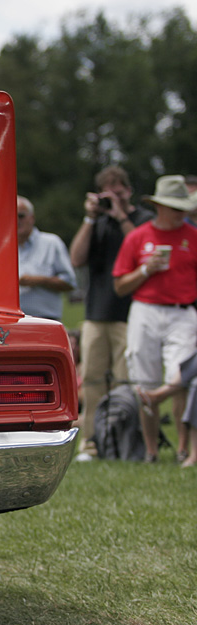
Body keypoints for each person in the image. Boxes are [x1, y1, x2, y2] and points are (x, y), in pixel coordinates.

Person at [68, 166, 154, 460]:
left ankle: (122, 441)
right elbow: (76, 258)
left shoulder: (143, 220)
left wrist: (121, 216)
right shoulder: (98, 223)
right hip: (96, 313)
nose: (113, 199)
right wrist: (91, 218)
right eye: (108, 194)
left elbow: (144, 249)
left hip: (130, 313)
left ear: (128, 191)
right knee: (91, 381)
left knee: (125, 381)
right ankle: (91, 442)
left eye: (119, 192)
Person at [112, 174, 197, 463]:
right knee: (144, 380)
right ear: (160, 206)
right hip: (145, 310)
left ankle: (183, 448)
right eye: (176, 208)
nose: (182, 214)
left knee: (181, 377)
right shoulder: (138, 236)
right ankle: (151, 451)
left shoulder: (193, 236)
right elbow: (120, 286)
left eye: (183, 208)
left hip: (182, 312)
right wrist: (146, 270)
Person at [16, 196, 76, 320]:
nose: (16, 220)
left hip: (46, 319)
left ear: (32, 218)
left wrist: (40, 280)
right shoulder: (1, 248)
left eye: (21, 216)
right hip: (12, 321)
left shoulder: (51, 243)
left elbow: (70, 282)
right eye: (12, 216)